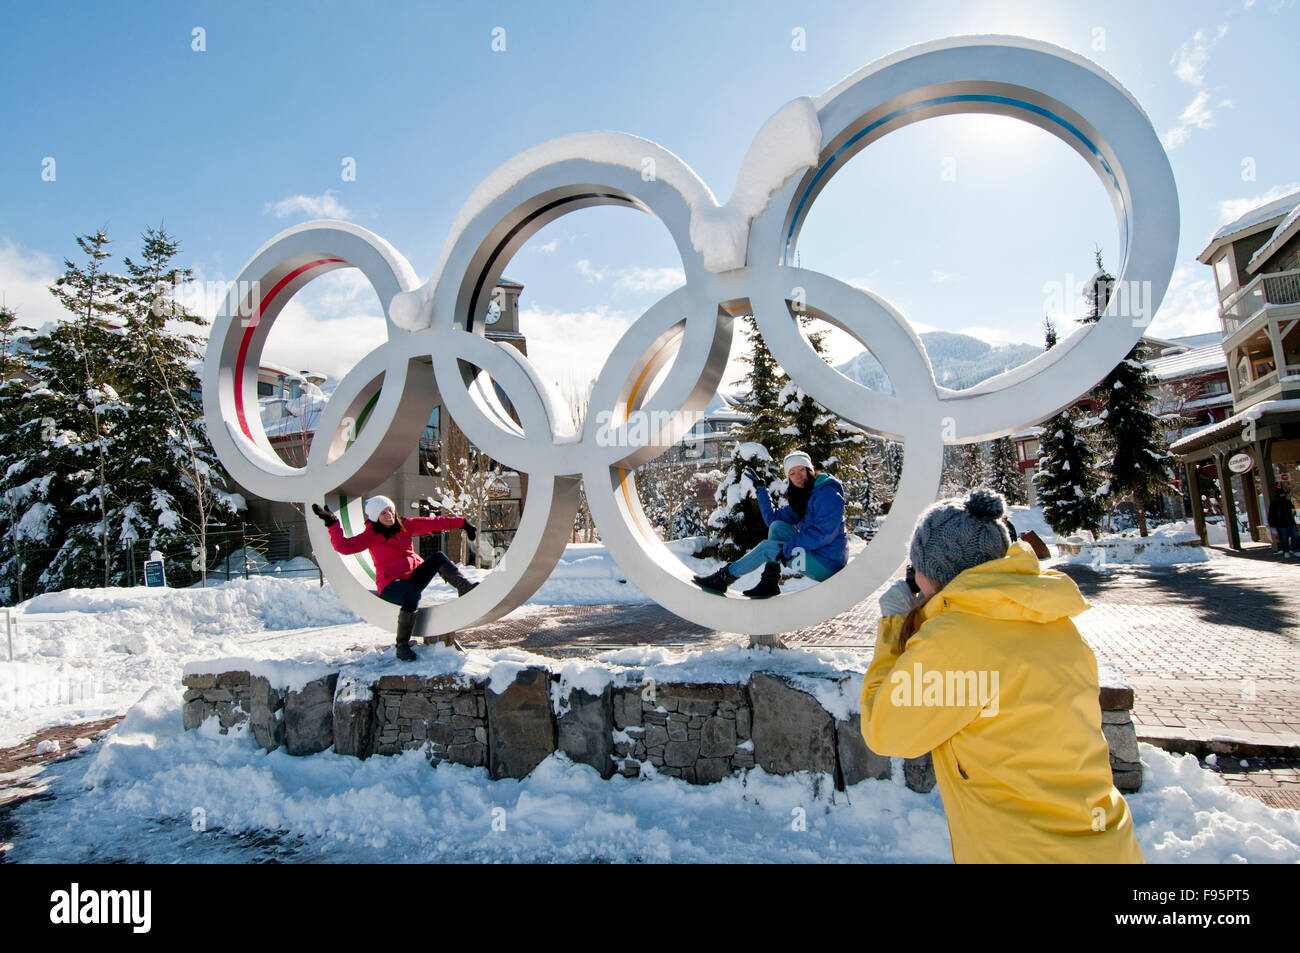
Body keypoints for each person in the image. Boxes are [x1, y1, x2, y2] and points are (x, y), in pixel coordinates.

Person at [859, 487, 1143, 863]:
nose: (915, 578)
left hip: (1022, 852)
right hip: (1107, 844)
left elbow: (886, 731)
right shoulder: (1050, 619)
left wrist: (894, 630)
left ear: (937, 572)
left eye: (917, 567)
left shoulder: (955, 642)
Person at [312, 496, 478, 661]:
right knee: (411, 593)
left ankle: (464, 587)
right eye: (383, 513)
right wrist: (333, 523)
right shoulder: (371, 534)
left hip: (412, 577)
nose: (389, 515)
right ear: (375, 516)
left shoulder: (404, 525)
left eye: (390, 510)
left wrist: (462, 523)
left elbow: (432, 523)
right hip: (390, 586)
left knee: (439, 557)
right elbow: (344, 546)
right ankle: (402, 645)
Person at [693, 450, 847, 598]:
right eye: (792, 474)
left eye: (801, 470)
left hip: (828, 563)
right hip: (817, 553)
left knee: (768, 548)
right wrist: (761, 490)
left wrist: (787, 550)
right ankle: (770, 581)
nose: (798, 477)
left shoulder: (827, 493)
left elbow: (824, 534)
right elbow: (773, 519)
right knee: (777, 527)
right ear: (789, 478)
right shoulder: (804, 496)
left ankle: (723, 578)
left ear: (810, 470)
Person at [1268, 484, 1296, 558]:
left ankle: (1294, 550)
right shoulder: (1274, 504)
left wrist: (1293, 514)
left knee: (1295, 536)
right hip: (1282, 524)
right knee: (1284, 539)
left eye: (1283, 493)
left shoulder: (1287, 502)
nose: (1283, 495)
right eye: (1281, 494)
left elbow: (1293, 510)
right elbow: (1271, 515)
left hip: (1291, 522)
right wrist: (1273, 525)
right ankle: (1286, 551)